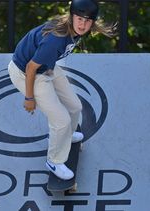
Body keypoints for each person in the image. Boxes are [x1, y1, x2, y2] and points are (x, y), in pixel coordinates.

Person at [8, 0, 115, 180]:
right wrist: (29, 97)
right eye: (79, 19)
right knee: (61, 120)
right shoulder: (55, 40)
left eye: (88, 21)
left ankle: (67, 135)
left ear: (93, 22)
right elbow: (30, 68)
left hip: (47, 66)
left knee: (75, 106)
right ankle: (54, 161)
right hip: (26, 73)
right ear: (72, 17)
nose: (83, 24)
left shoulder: (75, 30)